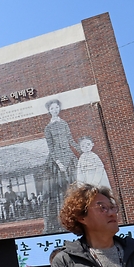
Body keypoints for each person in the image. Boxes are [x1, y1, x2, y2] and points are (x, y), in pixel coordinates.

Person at [43, 99, 78, 231]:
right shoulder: (48, 128)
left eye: (56, 107)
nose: (55, 110)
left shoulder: (64, 123)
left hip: (69, 156)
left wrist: (81, 151)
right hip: (56, 161)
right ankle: (61, 221)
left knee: (74, 186)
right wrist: (58, 162)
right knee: (59, 190)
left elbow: (70, 139)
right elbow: (51, 148)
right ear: (49, 111)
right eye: (52, 108)